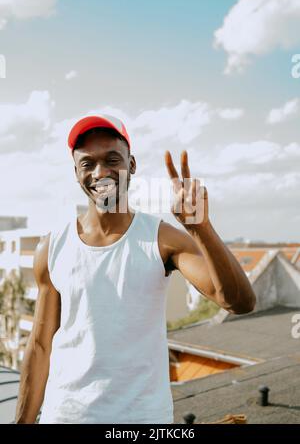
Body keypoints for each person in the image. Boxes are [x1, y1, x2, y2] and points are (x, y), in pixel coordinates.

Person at [15, 114, 256, 424]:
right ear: (76, 173)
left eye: (112, 159)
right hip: (64, 416)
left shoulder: (162, 239)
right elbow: (39, 345)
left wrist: (201, 228)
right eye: (87, 163)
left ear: (132, 165)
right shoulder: (51, 248)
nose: (100, 172)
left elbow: (239, 302)